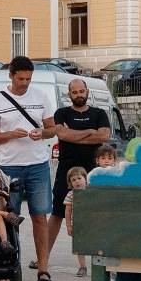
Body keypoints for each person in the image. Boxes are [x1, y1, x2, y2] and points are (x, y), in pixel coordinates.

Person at [0, 55, 58, 281]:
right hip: (9, 165)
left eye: (28, 78)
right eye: (21, 79)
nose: (25, 83)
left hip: (37, 164)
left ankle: (43, 270)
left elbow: (52, 129)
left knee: (40, 216)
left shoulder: (41, 95)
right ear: (11, 76)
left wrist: (41, 133)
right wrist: (10, 134)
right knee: (8, 217)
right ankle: (9, 266)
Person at [46, 79, 110, 265]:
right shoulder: (62, 113)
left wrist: (73, 134)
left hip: (94, 173)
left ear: (87, 91)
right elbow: (63, 135)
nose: (79, 95)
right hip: (66, 173)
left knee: (99, 215)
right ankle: (43, 257)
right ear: (69, 95)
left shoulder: (99, 113)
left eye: (82, 91)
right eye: (75, 92)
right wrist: (90, 132)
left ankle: (103, 258)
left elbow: (104, 136)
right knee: (57, 214)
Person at [63, 167, 91, 276]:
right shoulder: (70, 195)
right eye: (73, 180)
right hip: (78, 225)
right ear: (70, 183)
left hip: (93, 224)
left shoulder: (91, 192)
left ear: (85, 179)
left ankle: (104, 268)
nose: (77, 181)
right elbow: (68, 211)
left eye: (79, 178)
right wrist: (69, 226)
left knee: (98, 245)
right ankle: (82, 267)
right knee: (79, 246)